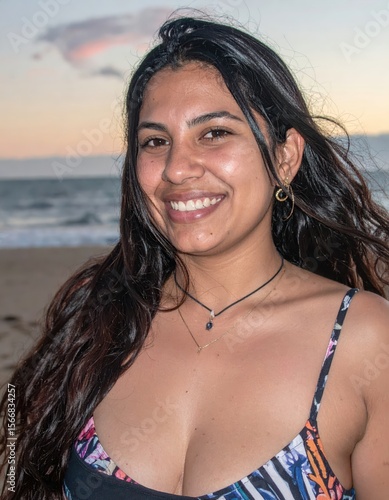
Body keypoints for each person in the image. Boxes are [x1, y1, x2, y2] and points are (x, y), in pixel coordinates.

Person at [1, 14, 389, 500]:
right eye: (155, 141)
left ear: (286, 158)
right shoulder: (98, 323)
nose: (177, 169)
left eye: (214, 134)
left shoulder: (365, 340)